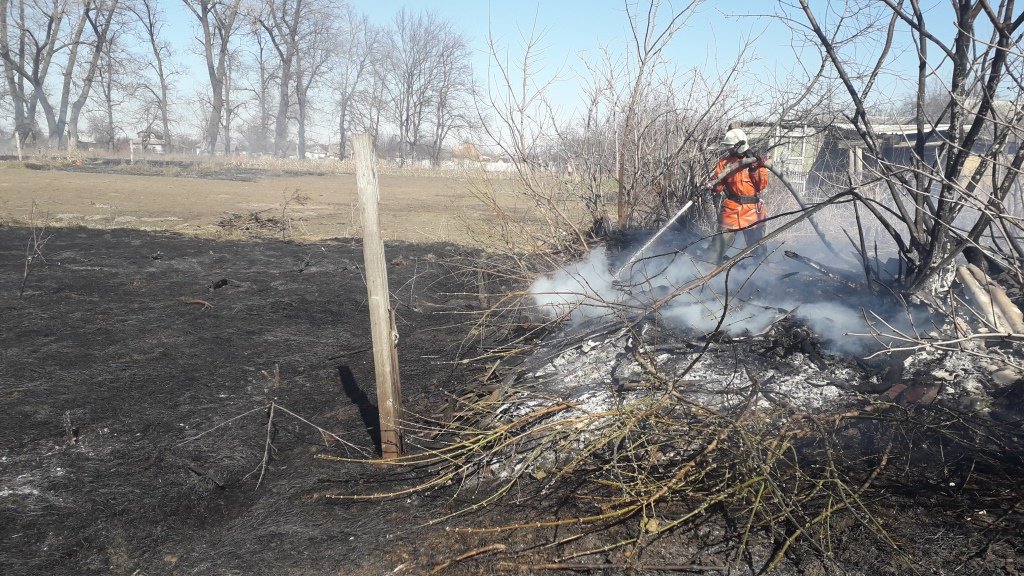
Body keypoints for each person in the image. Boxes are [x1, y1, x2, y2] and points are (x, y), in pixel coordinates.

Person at [706, 126, 769, 263]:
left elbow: (762, 185)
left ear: (739, 145)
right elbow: (718, 188)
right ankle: (706, 270)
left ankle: (761, 273)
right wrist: (713, 182)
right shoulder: (724, 163)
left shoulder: (756, 162)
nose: (728, 150)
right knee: (715, 250)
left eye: (730, 147)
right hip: (732, 209)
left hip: (753, 211)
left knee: (758, 252)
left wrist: (755, 169)